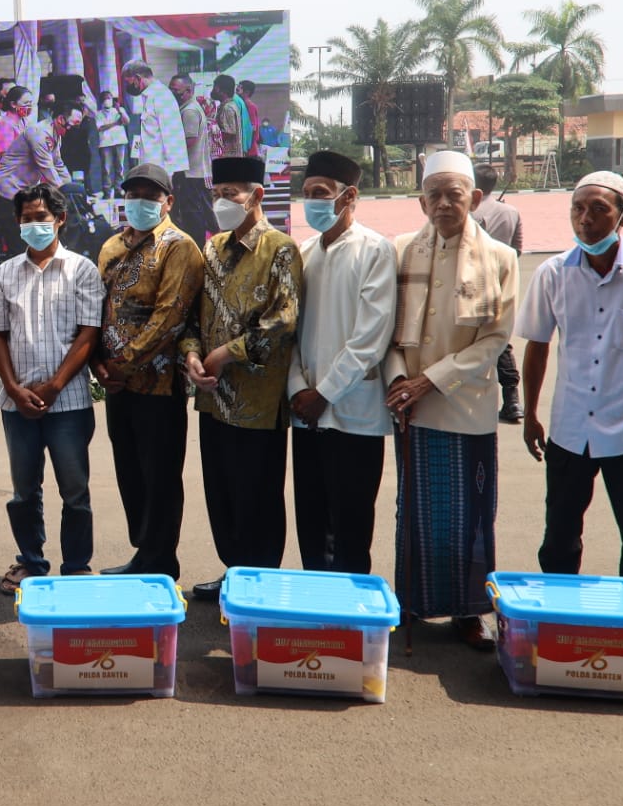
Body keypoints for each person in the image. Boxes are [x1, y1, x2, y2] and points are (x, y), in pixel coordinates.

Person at [518, 172, 623, 584]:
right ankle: (559, 625)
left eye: (599, 209)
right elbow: (537, 346)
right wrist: (530, 414)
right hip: (570, 429)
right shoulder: (553, 274)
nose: (585, 219)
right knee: (559, 536)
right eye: (577, 209)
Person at [383, 149, 519, 650]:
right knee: (415, 511)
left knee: (470, 514)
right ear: (421, 202)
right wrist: (400, 380)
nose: (443, 204)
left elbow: (495, 338)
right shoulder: (400, 250)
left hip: (466, 406)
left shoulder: (501, 259)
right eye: (434, 195)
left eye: (453, 195)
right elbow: (387, 332)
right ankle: (413, 602)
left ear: (475, 199)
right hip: (410, 407)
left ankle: (468, 611)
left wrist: (429, 380)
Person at [180, 156, 302, 600]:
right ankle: (234, 571)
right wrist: (193, 355)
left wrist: (227, 353)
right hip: (214, 399)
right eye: (217, 192)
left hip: (257, 400)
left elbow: (283, 320)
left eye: (231, 192)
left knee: (258, 493)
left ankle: (260, 581)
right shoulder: (212, 249)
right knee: (222, 490)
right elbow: (193, 316)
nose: (223, 200)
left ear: (257, 195)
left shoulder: (280, 249)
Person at [0, 183, 105, 593]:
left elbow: (89, 333)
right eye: (26, 218)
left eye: (41, 217)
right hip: (17, 402)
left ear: (60, 219)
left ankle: (76, 565)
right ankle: (31, 562)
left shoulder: (81, 270)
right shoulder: (5, 272)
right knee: (23, 490)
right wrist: (14, 389)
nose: (34, 224)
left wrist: (55, 386)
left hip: (68, 402)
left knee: (74, 489)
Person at [92, 163, 204, 580]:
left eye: (150, 195)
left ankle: (161, 559)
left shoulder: (179, 247)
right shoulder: (111, 247)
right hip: (117, 385)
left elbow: (170, 316)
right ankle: (145, 554)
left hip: (157, 385)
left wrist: (123, 362)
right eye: (133, 194)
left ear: (168, 202)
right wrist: (99, 364)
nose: (139, 202)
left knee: (159, 475)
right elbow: (97, 310)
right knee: (130, 470)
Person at [287, 151, 397, 575]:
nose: (311, 201)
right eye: (307, 193)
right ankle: (315, 615)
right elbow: (291, 331)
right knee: (311, 521)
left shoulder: (375, 251)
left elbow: (371, 338)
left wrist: (324, 393)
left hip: (355, 414)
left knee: (351, 523)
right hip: (307, 413)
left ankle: (351, 620)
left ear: (348, 196)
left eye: (321, 193)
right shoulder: (305, 251)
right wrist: (299, 389)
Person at [471, 163, 526, 422]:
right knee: (502, 340)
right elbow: (517, 250)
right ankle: (512, 400)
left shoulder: (469, 212)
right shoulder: (511, 212)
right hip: (504, 281)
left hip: (473, 283)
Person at [168, 73, 219, 246]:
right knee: (199, 212)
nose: (173, 94)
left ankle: (197, 248)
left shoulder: (189, 111)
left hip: (190, 172)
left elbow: (189, 141)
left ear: (188, 90)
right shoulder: (188, 107)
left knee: (192, 215)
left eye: (176, 91)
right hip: (195, 171)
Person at [122, 60, 187, 181]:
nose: (127, 87)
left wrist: (170, 176)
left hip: (161, 173)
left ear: (137, 78)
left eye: (128, 82)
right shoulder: (149, 96)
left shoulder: (161, 96)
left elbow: (172, 137)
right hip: (151, 171)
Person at [94, 90, 130, 198]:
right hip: (105, 143)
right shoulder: (98, 114)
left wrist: (119, 110)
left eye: (109, 98)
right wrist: (115, 123)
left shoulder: (119, 110)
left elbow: (126, 121)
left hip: (120, 141)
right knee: (106, 168)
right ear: (101, 101)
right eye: (105, 98)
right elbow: (100, 128)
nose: (107, 101)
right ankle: (107, 191)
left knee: (120, 167)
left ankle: (119, 189)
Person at [0, 85, 35, 159]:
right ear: (13, 104)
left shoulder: (24, 121)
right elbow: (5, 156)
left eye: (31, 103)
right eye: (26, 103)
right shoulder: (4, 125)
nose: (29, 106)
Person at [212, 74, 243, 158]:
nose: (213, 90)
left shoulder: (227, 108)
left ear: (222, 90)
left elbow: (228, 133)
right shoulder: (229, 105)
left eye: (215, 87)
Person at [237, 80, 262, 157]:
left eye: (239, 88)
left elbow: (252, 128)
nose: (236, 90)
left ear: (247, 92)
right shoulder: (240, 104)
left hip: (248, 151)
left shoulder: (249, 106)